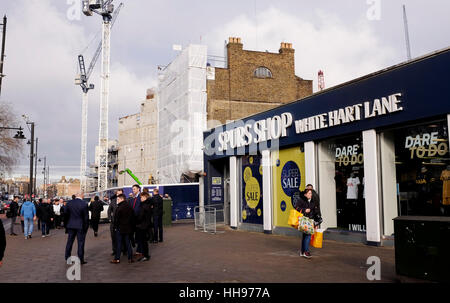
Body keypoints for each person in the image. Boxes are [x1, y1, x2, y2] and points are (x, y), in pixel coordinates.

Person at [294, 189, 320, 259]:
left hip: (310, 221)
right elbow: (296, 207)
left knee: (305, 236)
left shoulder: (313, 201)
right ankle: (306, 252)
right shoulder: (301, 200)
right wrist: (304, 210)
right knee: (308, 235)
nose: (310, 195)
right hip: (304, 220)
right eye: (308, 193)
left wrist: (316, 223)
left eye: (311, 193)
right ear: (305, 194)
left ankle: (302, 252)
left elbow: (315, 212)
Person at [64, 193, 89, 265]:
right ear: (81, 196)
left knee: (69, 242)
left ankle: (67, 258)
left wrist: (66, 224)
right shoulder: (84, 204)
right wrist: (86, 227)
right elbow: (86, 217)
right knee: (80, 243)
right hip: (80, 225)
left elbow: (65, 214)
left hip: (71, 225)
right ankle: (81, 259)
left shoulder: (69, 203)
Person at [111, 193, 135, 264]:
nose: (117, 201)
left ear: (122, 199)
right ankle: (130, 258)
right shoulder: (129, 207)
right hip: (128, 228)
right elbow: (133, 218)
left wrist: (115, 227)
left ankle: (117, 258)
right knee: (128, 243)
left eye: (118, 199)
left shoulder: (119, 207)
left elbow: (116, 219)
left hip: (120, 228)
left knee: (119, 244)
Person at [135, 192, 152, 261]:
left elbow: (140, 216)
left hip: (142, 226)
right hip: (145, 225)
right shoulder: (147, 205)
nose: (140, 198)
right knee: (143, 242)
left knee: (143, 242)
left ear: (145, 197)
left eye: (141, 197)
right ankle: (145, 255)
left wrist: (136, 220)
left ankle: (145, 255)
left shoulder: (144, 205)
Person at [108, 189, 122, 256]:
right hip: (113, 222)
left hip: (122, 222)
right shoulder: (113, 201)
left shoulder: (125, 201)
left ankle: (123, 250)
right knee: (113, 237)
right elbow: (109, 210)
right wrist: (110, 218)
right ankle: (114, 250)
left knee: (122, 237)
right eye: (118, 194)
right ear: (116, 194)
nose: (119, 195)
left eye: (120, 194)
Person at [128, 184, 141, 251]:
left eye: (134, 189)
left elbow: (139, 208)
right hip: (133, 219)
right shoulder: (133, 198)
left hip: (139, 219)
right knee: (131, 233)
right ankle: (134, 243)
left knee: (139, 235)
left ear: (138, 189)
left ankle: (139, 250)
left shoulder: (141, 197)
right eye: (132, 189)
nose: (133, 190)